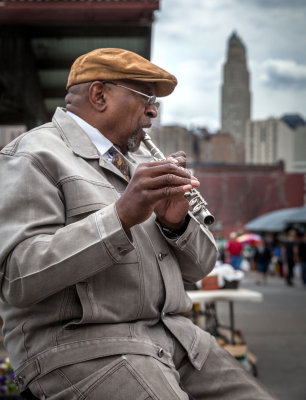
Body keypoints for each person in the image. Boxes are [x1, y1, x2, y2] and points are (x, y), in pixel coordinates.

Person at [0, 48, 275, 399]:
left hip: (178, 339)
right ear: (99, 94)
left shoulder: (140, 160)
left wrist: (176, 224)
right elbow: (17, 279)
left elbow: (203, 266)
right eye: (146, 98)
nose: (154, 111)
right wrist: (120, 216)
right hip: (84, 348)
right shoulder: (33, 155)